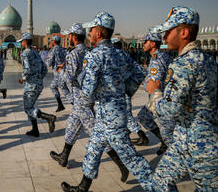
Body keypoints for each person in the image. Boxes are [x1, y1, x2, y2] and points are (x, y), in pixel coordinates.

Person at [147, 6, 218, 190]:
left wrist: (154, 92)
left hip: (200, 148)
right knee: (159, 183)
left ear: (184, 32)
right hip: (183, 143)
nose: (164, 37)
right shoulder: (206, 58)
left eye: (168, 31)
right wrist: (203, 106)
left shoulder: (184, 64)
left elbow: (169, 111)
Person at [61, 12, 153, 192]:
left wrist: (80, 78)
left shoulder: (95, 56)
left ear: (100, 33)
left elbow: (88, 89)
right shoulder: (120, 53)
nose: (89, 33)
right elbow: (140, 73)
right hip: (110, 113)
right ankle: (83, 187)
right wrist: (125, 90)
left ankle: (159, 187)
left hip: (111, 117)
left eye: (92, 30)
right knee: (93, 149)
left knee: (132, 159)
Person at [51, 24, 130, 182]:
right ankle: (64, 156)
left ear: (74, 37)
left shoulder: (73, 54)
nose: (68, 38)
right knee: (72, 125)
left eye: (70, 36)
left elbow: (70, 78)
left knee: (97, 133)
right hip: (87, 96)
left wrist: (61, 72)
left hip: (81, 98)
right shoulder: (89, 51)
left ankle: (121, 164)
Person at [135, 32, 174, 155]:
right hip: (161, 98)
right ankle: (164, 141)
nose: (143, 44)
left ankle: (169, 145)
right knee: (143, 117)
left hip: (160, 100)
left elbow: (155, 83)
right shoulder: (160, 56)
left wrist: (149, 85)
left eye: (145, 42)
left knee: (169, 132)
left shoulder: (157, 58)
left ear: (152, 43)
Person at [111, 37, 151, 151]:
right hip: (124, 90)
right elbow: (141, 71)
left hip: (119, 91)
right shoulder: (125, 55)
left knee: (126, 115)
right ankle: (126, 136)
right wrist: (131, 86)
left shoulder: (115, 56)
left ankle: (142, 136)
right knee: (121, 116)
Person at [17, 32, 56, 137]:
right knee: (31, 106)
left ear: (25, 42)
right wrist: (39, 79)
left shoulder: (25, 53)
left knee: (28, 108)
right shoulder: (36, 53)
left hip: (31, 85)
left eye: (21, 42)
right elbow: (44, 69)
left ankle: (48, 117)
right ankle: (35, 130)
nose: (21, 44)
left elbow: (27, 69)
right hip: (39, 84)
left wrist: (23, 78)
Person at [46, 35, 71, 112]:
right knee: (53, 86)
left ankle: (77, 106)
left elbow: (49, 63)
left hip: (58, 74)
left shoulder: (53, 50)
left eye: (52, 41)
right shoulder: (63, 50)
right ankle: (60, 104)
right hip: (63, 72)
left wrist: (47, 59)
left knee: (65, 91)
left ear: (53, 41)